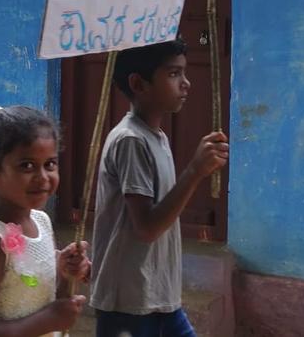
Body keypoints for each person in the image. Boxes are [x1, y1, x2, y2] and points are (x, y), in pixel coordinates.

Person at [89, 39, 229, 337]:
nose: (186, 83)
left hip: (159, 297)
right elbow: (147, 227)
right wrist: (194, 172)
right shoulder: (131, 140)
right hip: (128, 302)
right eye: (173, 74)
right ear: (139, 84)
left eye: (184, 73)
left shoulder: (156, 137)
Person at [0, 106, 91, 337]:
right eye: (27, 165)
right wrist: (50, 320)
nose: (42, 177)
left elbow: (42, 296)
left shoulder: (41, 221)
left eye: (50, 164)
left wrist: (66, 275)